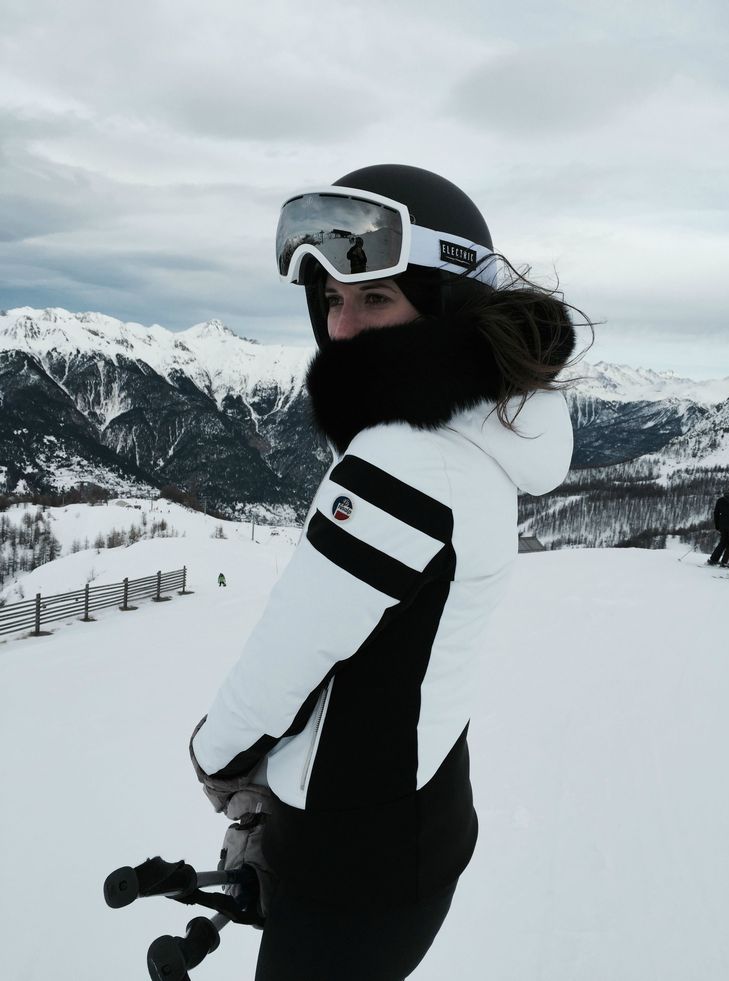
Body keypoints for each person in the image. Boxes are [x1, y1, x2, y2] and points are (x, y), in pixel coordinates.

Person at [189, 164, 586, 980]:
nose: (342, 328)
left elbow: (286, 661)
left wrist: (215, 757)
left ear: (444, 304)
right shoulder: (481, 438)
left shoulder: (401, 460)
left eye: (375, 298)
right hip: (421, 818)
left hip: (351, 860)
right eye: (331, 300)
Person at [707, 483, 729, 567]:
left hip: (722, 525)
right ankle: (725, 562)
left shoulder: (721, 500)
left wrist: (717, 525)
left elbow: (716, 513)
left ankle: (713, 559)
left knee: (723, 542)